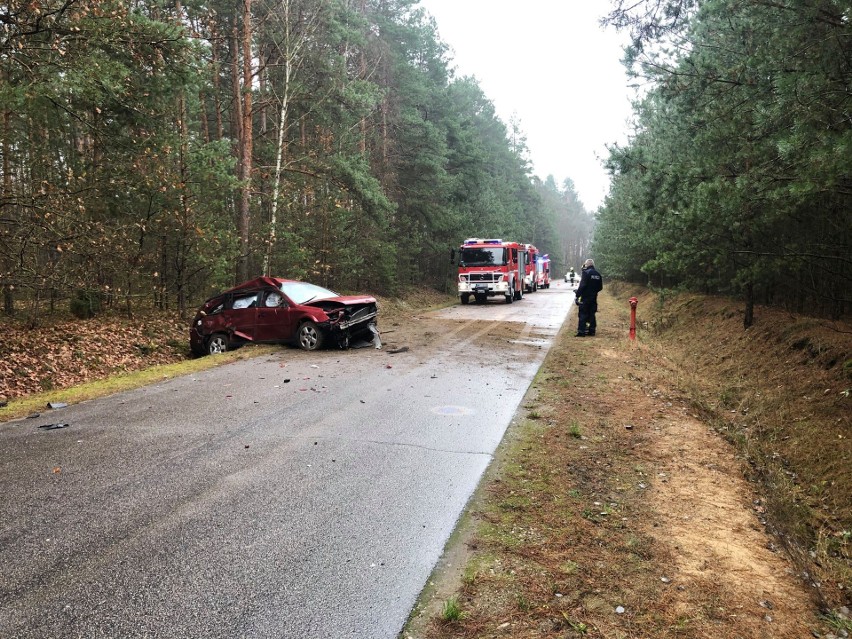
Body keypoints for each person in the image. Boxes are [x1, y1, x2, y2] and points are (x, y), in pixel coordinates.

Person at [574, 258, 603, 336]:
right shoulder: (598, 274)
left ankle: (581, 332)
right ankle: (592, 331)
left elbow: (582, 285)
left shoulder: (586, 273)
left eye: (585, 264)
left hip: (585, 297)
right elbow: (600, 287)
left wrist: (577, 295)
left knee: (583, 314)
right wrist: (594, 292)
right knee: (592, 314)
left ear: (587, 265)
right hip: (593, 298)